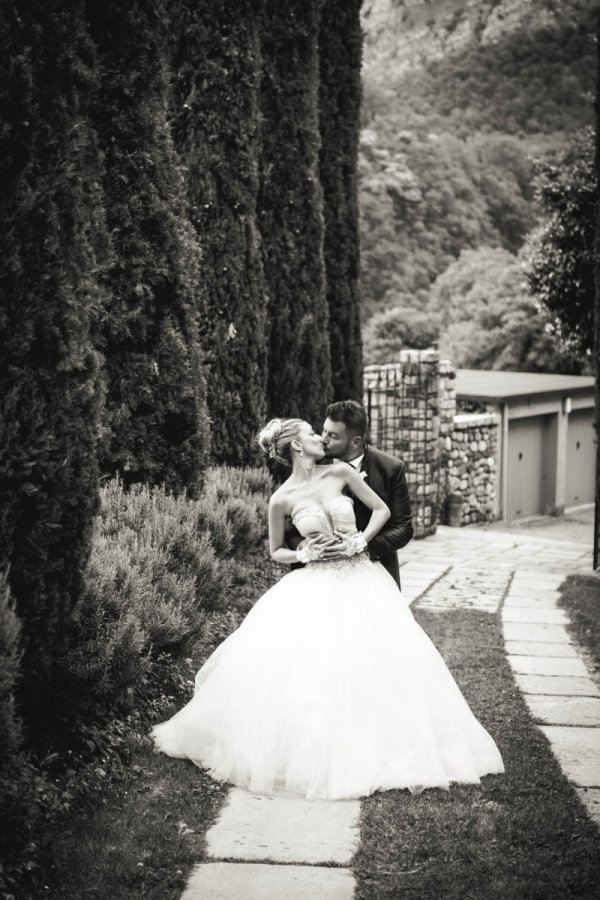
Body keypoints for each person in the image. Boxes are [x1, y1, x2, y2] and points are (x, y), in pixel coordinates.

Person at [151, 417, 504, 801]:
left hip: (362, 578)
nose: (320, 438)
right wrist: (305, 551)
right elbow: (275, 551)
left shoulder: (339, 473)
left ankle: (388, 741)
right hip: (315, 583)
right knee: (314, 669)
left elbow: (382, 510)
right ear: (297, 446)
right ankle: (311, 751)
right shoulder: (281, 498)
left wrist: (361, 542)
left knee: (380, 662)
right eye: (311, 434)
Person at [287, 400, 412, 588]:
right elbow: (289, 527)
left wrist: (361, 546)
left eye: (333, 436)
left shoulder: (390, 469)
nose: (323, 439)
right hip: (318, 577)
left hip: (374, 574)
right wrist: (305, 547)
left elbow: (403, 528)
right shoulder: (311, 464)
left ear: (355, 442)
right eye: (324, 431)